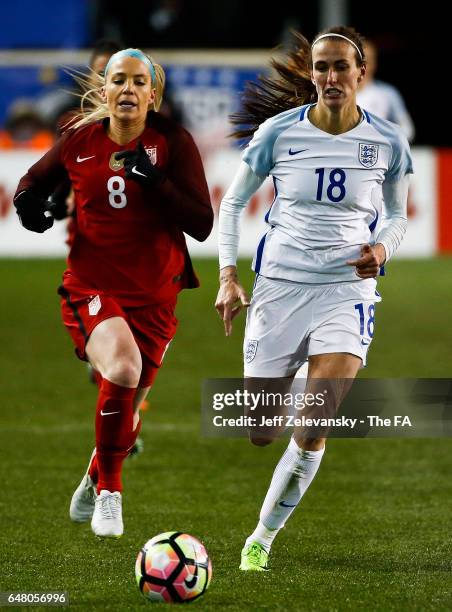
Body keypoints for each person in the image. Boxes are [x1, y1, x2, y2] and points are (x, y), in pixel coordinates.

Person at [215, 26, 412, 570]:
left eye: (340, 67)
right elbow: (232, 205)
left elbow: (396, 216)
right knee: (260, 431)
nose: (330, 76)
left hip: (346, 288)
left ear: (360, 74)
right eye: (321, 67)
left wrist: (383, 249)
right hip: (279, 287)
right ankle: (301, 379)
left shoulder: (389, 141)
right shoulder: (279, 134)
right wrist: (229, 276)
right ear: (311, 74)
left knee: (316, 420)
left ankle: (262, 537)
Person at [14, 48, 213, 538]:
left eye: (138, 82)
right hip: (93, 286)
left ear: (153, 95)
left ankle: (93, 476)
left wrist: (159, 184)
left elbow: (203, 224)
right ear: (103, 90)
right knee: (123, 368)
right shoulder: (79, 140)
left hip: (156, 294)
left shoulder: (173, 142)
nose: (128, 89)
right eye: (118, 80)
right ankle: (110, 494)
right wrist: (26, 205)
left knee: (129, 400)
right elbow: (31, 182)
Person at [357, 40, 414, 142]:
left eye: (368, 61)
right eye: (359, 61)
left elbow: (407, 129)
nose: (363, 66)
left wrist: (384, 139)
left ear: (375, 63)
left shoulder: (388, 94)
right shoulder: (339, 95)